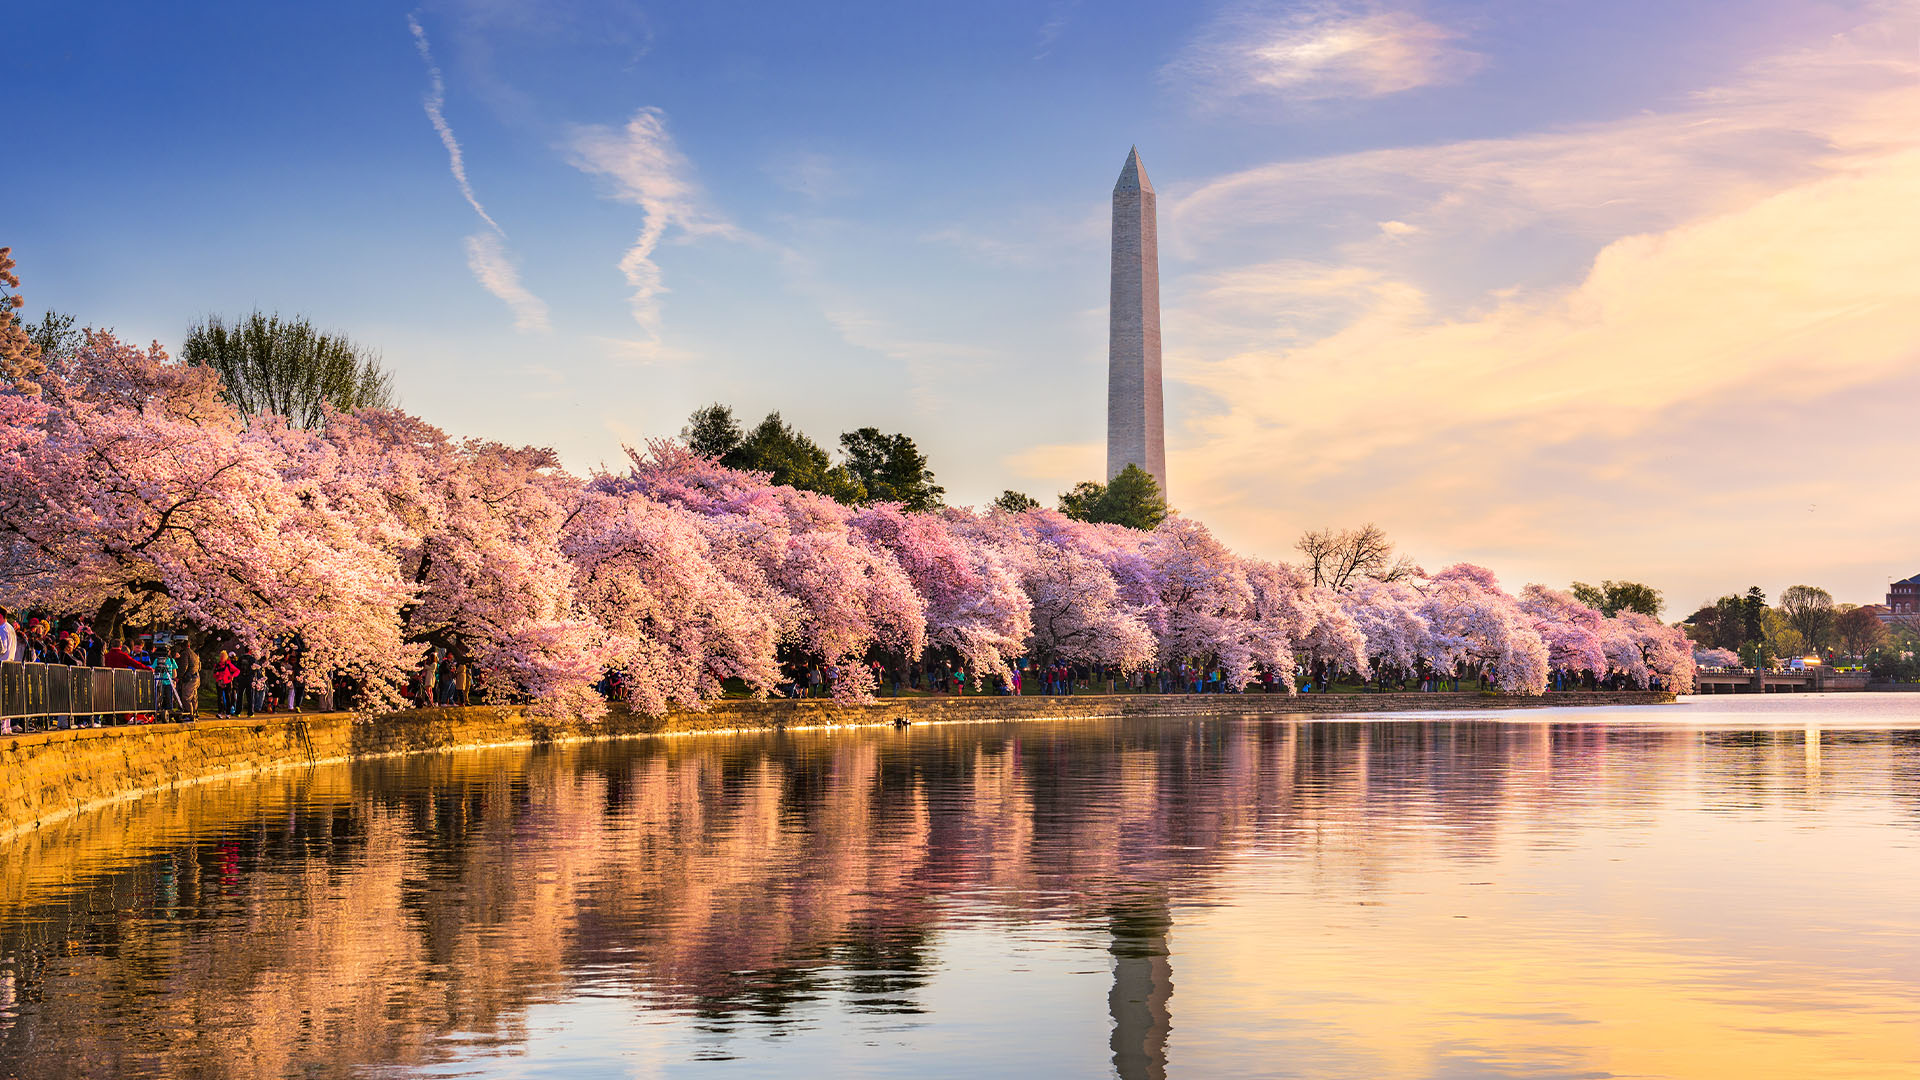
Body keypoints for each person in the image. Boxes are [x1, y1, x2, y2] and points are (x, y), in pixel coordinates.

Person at [151, 645, 182, 721]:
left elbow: (174, 671)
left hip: (169, 682)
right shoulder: (157, 660)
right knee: (158, 697)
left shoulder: (171, 660)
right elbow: (153, 669)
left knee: (169, 697)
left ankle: (169, 712)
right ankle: (157, 711)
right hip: (159, 681)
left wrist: (174, 680)